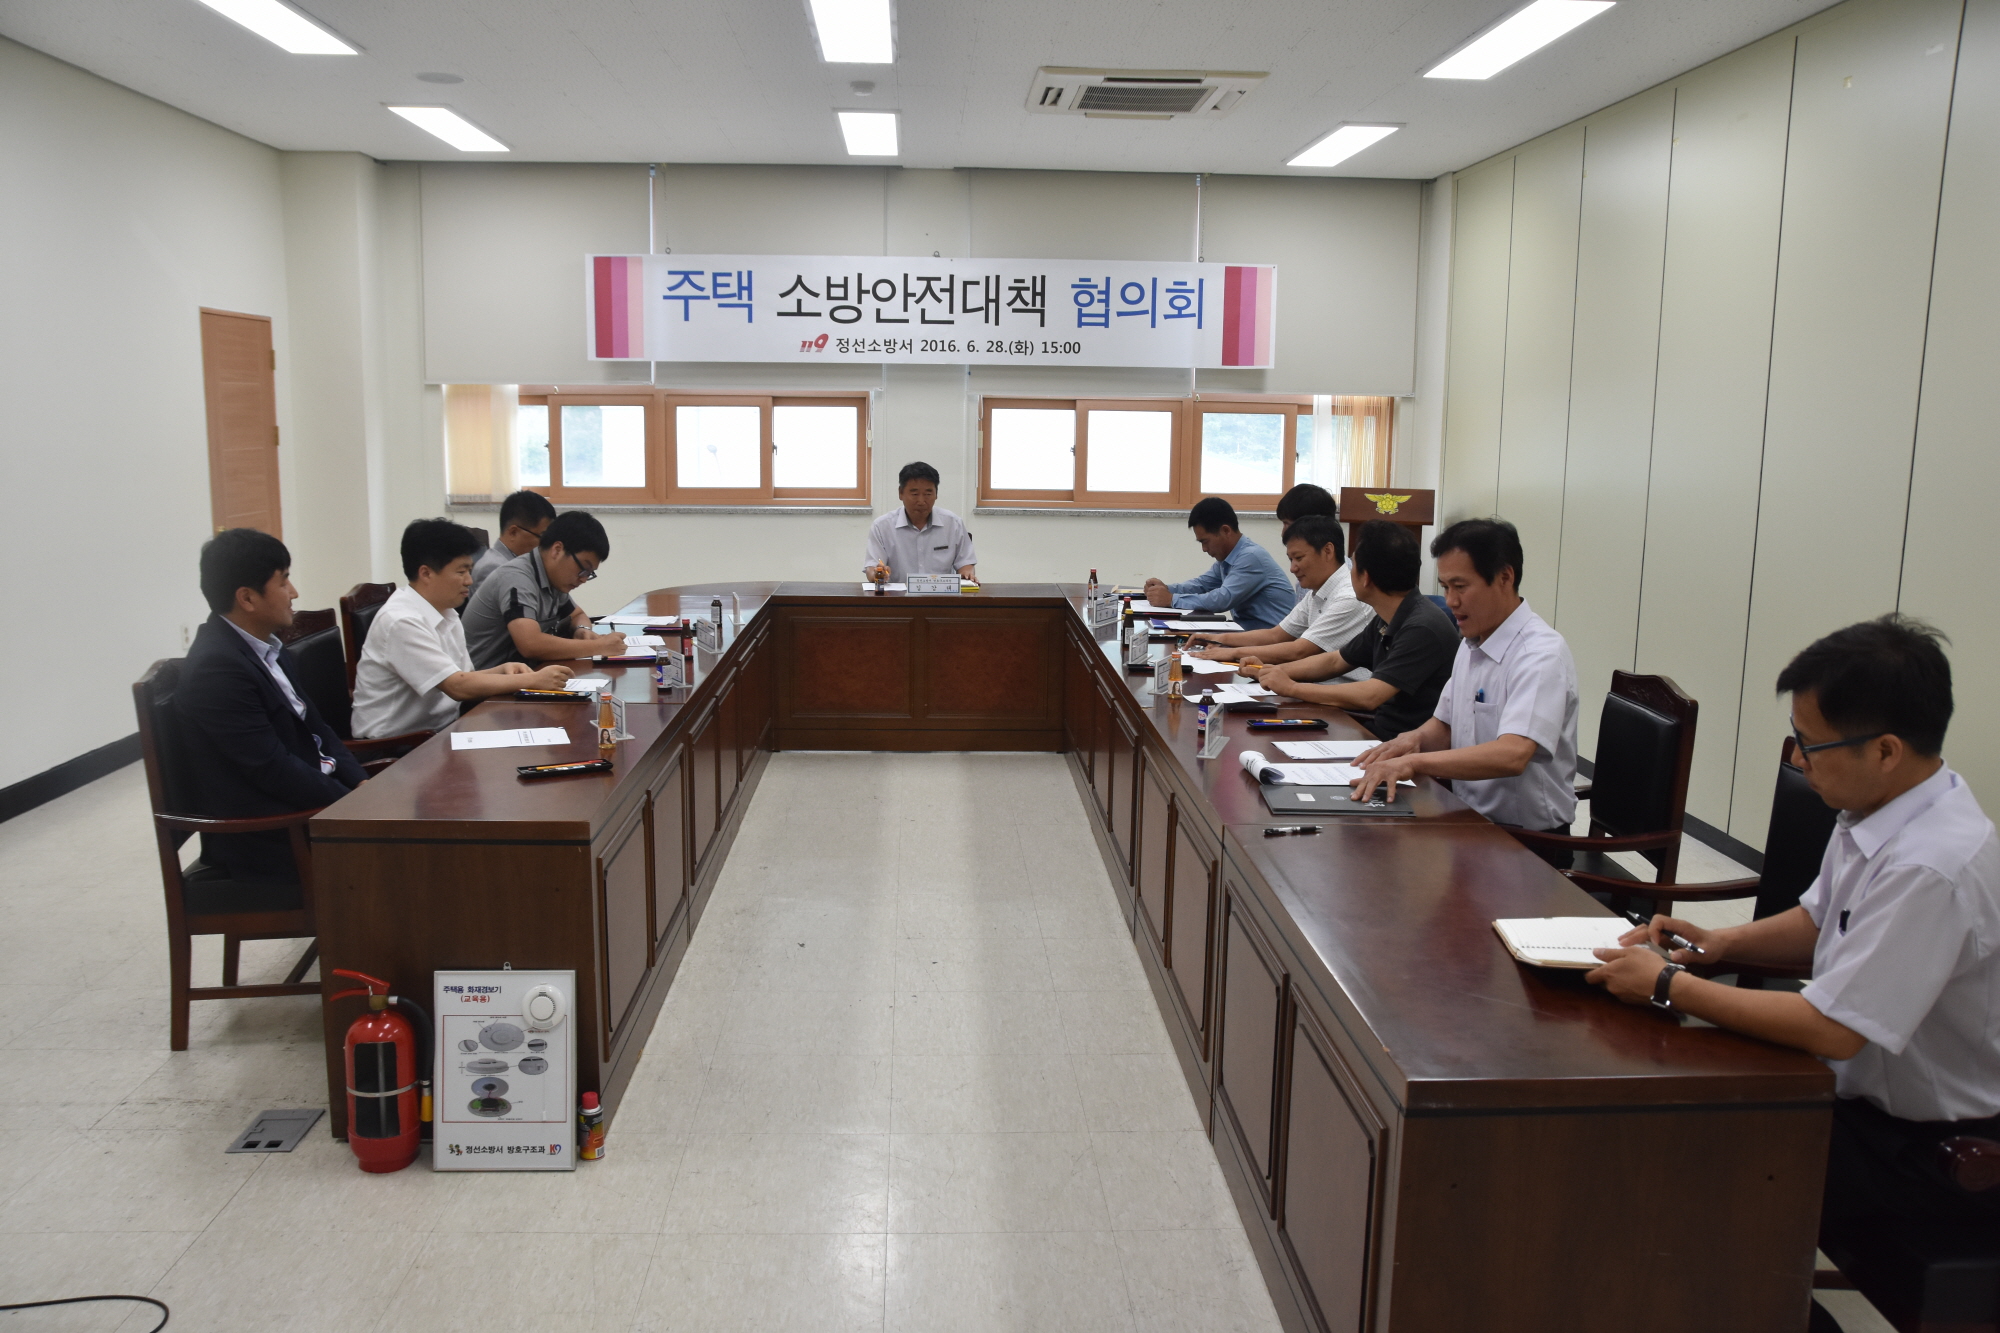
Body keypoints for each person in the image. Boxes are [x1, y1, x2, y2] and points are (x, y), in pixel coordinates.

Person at [1585, 616, 2000, 1310]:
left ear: (1887, 750)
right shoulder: (1878, 809)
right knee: (1662, 1121)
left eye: (1811, 744)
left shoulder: (1933, 865)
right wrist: (1720, 946)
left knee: (1681, 1161)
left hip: (1927, 1152)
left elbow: (1832, 1028)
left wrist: (1668, 983)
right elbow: (1819, 921)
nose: (1800, 761)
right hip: (1860, 1103)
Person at [1347, 518, 1579, 850]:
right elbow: (1444, 724)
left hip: (1527, 841)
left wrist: (1413, 762)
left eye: (1460, 586)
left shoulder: (1540, 655)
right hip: (1468, 819)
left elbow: (1512, 755)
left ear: (1505, 577)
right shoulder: (1472, 643)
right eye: (1445, 587)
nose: (1451, 601)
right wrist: (1410, 741)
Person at [175, 528, 364, 882]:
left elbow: (316, 727)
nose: (294, 593)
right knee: (424, 850)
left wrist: (359, 785)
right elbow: (273, 770)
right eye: (284, 581)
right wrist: (352, 805)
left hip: (308, 802)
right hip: (271, 834)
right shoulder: (217, 669)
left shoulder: (266, 646)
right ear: (247, 598)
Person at [352, 519, 578, 738]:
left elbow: (463, 677)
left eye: (470, 570)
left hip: (440, 731)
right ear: (426, 573)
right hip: (396, 745)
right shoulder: (401, 621)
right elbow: (457, 687)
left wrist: (502, 670)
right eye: (461, 572)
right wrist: (533, 680)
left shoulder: (446, 611)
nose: (469, 580)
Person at [1240, 521, 1460, 740]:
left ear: (1366, 577)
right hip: (1379, 733)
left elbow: (1371, 695)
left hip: (1403, 744)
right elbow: (1336, 661)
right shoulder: (1387, 617)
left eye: (1353, 566)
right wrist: (1269, 671)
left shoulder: (1421, 627)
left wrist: (1291, 688)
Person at [1185, 516, 1374, 665]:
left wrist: (1232, 652)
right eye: (1291, 560)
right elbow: (1276, 635)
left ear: (1328, 551)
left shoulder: (1348, 597)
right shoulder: (1317, 593)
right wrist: (1218, 639)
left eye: (1298, 558)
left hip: (1341, 694)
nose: (1292, 568)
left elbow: (1300, 650)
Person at [462, 510, 627, 669]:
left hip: (522, 674)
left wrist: (582, 630)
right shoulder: (517, 578)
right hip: (486, 681)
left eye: (589, 573)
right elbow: (530, 644)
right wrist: (598, 646)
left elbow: (577, 615)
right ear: (557, 550)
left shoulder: (552, 577)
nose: (583, 579)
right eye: (583, 569)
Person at [1142, 497, 1294, 632]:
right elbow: (1202, 585)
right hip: (1250, 635)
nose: (1204, 549)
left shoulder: (1251, 557)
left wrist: (1171, 599)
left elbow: (1222, 599)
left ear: (1225, 531)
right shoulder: (1228, 559)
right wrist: (1166, 589)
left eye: (1205, 541)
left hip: (1273, 641)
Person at [864, 462, 977, 582]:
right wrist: (877, 574)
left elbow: (966, 563)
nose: (921, 501)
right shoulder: (882, 526)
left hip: (941, 593)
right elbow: (871, 568)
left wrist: (967, 574)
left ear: (936, 494)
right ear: (900, 493)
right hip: (898, 593)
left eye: (928, 494)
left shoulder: (953, 524)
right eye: (915, 494)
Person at [469, 490, 557, 596]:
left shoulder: (526, 563)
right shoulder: (494, 568)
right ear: (513, 533)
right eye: (543, 537)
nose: (547, 545)